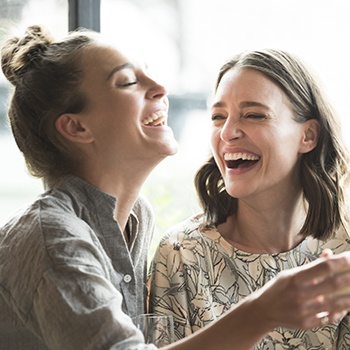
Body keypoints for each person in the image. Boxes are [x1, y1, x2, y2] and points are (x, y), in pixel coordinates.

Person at [1, 26, 350, 350]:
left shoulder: (135, 220)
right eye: (126, 82)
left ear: (309, 136)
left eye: (255, 115)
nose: (160, 87)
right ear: (77, 128)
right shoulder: (53, 239)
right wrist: (261, 312)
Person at [149, 49, 350, 349]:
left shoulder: (343, 251)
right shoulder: (181, 253)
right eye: (218, 117)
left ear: (308, 135)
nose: (227, 132)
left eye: (254, 115)